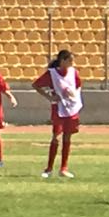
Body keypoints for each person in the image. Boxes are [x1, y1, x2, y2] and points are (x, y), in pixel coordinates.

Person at [32, 49, 82, 179]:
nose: (72, 63)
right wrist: (50, 97)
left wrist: (72, 95)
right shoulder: (52, 74)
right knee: (56, 136)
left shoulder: (73, 72)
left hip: (71, 108)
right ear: (63, 60)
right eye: (70, 60)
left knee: (68, 137)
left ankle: (63, 168)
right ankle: (49, 168)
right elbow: (36, 85)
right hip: (59, 108)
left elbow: (77, 86)